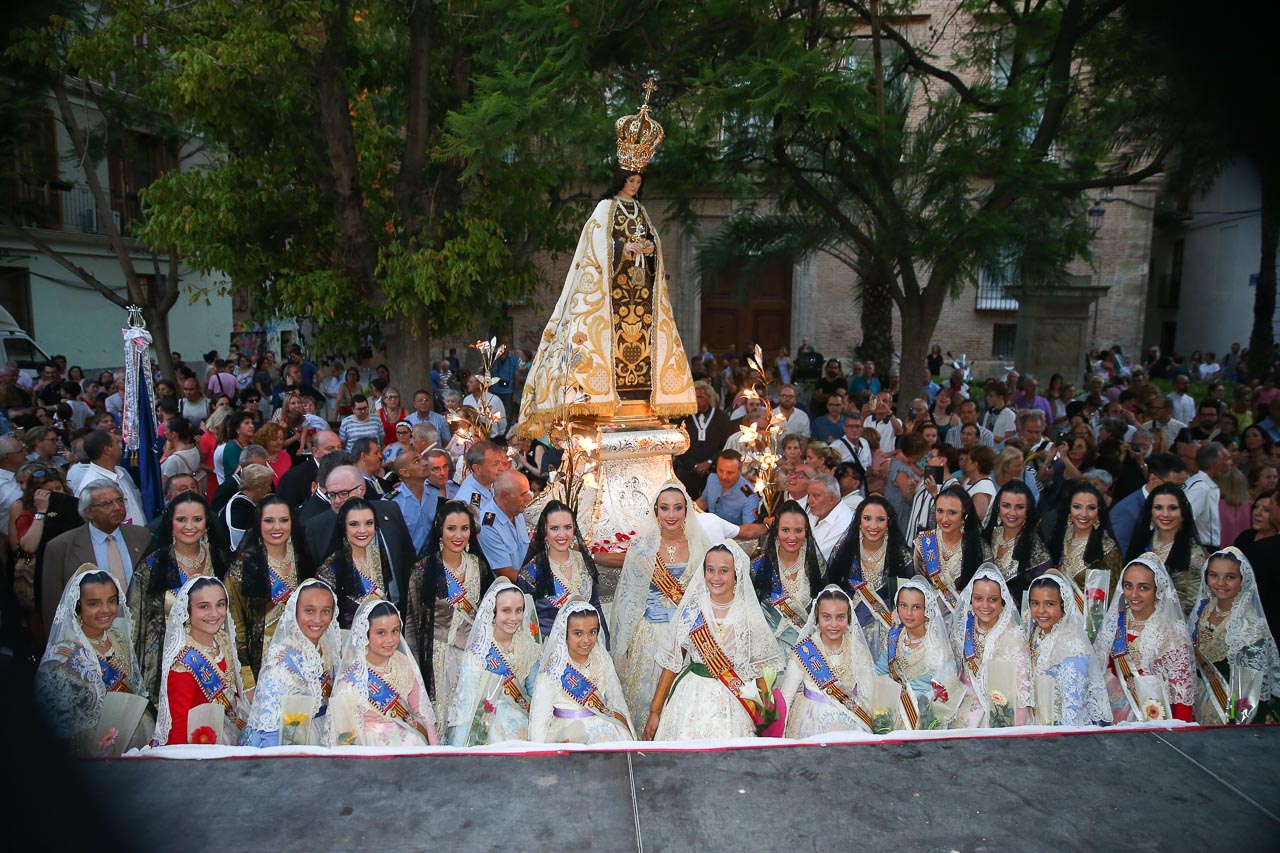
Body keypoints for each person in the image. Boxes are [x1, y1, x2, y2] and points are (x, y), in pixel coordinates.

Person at [517, 89, 696, 437]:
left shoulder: (640, 210)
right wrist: (626, 248)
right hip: (611, 296)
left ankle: (643, 398)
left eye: (639, 181)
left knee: (646, 342)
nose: (634, 185)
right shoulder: (605, 209)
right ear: (620, 180)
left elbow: (656, 244)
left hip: (639, 296)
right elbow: (599, 247)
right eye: (630, 180)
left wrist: (648, 247)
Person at [644, 542, 785, 740]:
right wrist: (655, 711)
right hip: (690, 699)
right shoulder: (692, 611)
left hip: (736, 700)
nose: (715, 577)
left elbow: (760, 669)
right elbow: (672, 662)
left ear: (737, 574)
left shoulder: (748, 615)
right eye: (710, 570)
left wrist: (767, 716)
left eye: (724, 571)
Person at [608, 481, 710, 732]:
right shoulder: (641, 549)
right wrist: (624, 645)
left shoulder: (701, 547)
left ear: (687, 510)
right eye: (665, 508)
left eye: (677, 508)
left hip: (688, 639)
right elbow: (628, 598)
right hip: (650, 637)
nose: (671, 515)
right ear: (656, 511)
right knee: (645, 701)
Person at [36, 568, 153, 755]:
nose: (105, 610)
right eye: (93, 603)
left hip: (134, 745)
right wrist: (93, 742)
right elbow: (56, 723)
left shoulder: (119, 638)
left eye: (112, 601)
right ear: (77, 606)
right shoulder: (63, 656)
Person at [130, 493, 230, 700]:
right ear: (170, 522)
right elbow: (137, 621)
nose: (190, 526)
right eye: (181, 520)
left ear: (207, 523)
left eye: (197, 519)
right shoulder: (153, 566)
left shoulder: (218, 557)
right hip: (168, 661)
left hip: (216, 657)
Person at [405, 501, 496, 725]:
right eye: (451, 528)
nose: (458, 535)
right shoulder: (423, 570)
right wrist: (415, 670)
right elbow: (412, 622)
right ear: (440, 530)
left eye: (464, 528)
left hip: (471, 658)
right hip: (437, 658)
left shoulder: (479, 566)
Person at [1092, 554, 1195, 723]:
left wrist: (1178, 734)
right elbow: (1102, 667)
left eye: (1143, 588)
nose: (1133, 594)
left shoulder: (1170, 632)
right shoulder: (1116, 621)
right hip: (1113, 714)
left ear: (1157, 590)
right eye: (1128, 586)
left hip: (1153, 718)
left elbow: (1182, 692)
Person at [225, 496, 316, 682]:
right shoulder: (242, 568)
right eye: (269, 521)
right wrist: (247, 678)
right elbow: (236, 627)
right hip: (263, 664)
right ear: (258, 523)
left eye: (284, 520)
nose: (277, 527)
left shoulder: (302, 557)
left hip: (305, 656)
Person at [242, 578, 341, 747]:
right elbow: (271, 731)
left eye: (325, 611)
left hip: (317, 734)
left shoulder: (326, 646)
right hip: (284, 743)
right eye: (309, 611)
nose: (318, 619)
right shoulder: (281, 661)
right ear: (295, 611)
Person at [40, 480, 150, 630]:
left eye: (119, 501)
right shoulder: (61, 547)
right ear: (88, 512)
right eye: (107, 504)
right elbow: (52, 604)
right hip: (87, 637)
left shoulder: (141, 535)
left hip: (138, 630)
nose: (117, 508)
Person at [1187, 547, 1280, 724]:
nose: (1220, 583)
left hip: (1229, 713)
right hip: (1199, 702)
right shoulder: (1204, 608)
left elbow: (1249, 688)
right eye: (1214, 575)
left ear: (1243, 580)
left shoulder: (1248, 624)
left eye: (1230, 577)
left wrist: (1233, 722)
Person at [444, 579, 540, 746]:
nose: (513, 618)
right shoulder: (480, 651)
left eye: (519, 611)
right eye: (506, 611)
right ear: (493, 612)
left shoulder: (529, 647)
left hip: (522, 725)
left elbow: (535, 694)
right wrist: (460, 748)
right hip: (485, 725)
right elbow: (467, 703)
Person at [153, 576, 247, 745]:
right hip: (199, 749)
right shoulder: (183, 662)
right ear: (187, 610)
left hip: (231, 740)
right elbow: (178, 729)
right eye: (204, 606)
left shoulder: (224, 640)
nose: (214, 613)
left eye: (220, 604)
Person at [331, 599, 439, 746]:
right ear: (366, 633)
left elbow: (422, 713)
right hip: (371, 749)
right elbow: (344, 733)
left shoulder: (404, 663)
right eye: (381, 633)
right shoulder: (352, 676)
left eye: (395, 631)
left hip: (410, 745)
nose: (390, 639)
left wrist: (434, 752)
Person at [777, 585, 878, 736]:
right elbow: (786, 696)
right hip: (810, 722)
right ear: (817, 616)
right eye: (826, 617)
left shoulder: (857, 649)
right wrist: (778, 736)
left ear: (849, 617)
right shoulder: (804, 651)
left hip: (853, 720)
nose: (833, 624)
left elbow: (869, 691)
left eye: (840, 617)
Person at [529, 600, 633, 743]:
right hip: (566, 735)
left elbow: (617, 700)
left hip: (605, 733)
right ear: (565, 633)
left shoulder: (602, 658)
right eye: (578, 633)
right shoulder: (553, 668)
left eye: (592, 632)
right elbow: (539, 719)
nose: (586, 640)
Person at [824, 495, 912, 654]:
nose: (873, 525)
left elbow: (911, 595)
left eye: (880, 519)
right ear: (859, 521)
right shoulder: (844, 552)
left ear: (889, 522)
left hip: (887, 634)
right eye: (867, 518)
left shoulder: (900, 556)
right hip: (847, 631)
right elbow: (830, 590)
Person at [874, 579, 965, 730]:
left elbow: (946, 689)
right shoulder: (894, 637)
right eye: (903, 606)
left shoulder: (936, 643)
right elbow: (880, 674)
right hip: (894, 712)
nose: (908, 613)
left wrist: (927, 714)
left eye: (916, 607)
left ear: (927, 609)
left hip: (925, 718)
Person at [949, 566, 1033, 728]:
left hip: (999, 712)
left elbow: (1021, 694)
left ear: (1002, 600)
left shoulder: (1013, 636)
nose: (985, 606)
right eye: (978, 599)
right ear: (970, 599)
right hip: (962, 706)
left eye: (993, 599)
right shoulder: (964, 628)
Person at [1027, 573, 1112, 726]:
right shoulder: (1036, 635)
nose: (1041, 611)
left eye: (1049, 604)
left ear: (1064, 605)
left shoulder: (1073, 647)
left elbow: (1073, 708)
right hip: (1038, 723)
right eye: (1035, 603)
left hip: (1063, 731)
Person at [517, 500, 607, 640]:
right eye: (554, 528)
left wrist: (605, 645)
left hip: (588, 647)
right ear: (545, 531)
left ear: (574, 529)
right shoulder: (531, 573)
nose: (562, 534)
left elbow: (596, 607)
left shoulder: (584, 562)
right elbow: (527, 621)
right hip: (551, 653)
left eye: (567, 527)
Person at [750, 500, 826, 654]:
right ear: (776, 530)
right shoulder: (758, 568)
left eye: (798, 530)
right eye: (785, 530)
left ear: (806, 532)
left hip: (807, 655)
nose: (792, 537)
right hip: (767, 653)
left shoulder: (817, 567)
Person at [316, 499, 399, 630]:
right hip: (347, 643)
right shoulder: (330, 568)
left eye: (369, 523)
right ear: (344, 526)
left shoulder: (379, 556)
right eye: (354, 524)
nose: (362, 530)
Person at [1126, 483, 1208, 614]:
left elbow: (1192, 606)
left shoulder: (1193, 555)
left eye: (1173, 508)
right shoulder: (1143, 541)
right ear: (1151, 512)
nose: (1165, 514)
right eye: (1158, 507)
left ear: (1183, 513)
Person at [912, 485, 983, 615]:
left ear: (964, 514)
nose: (944, 519)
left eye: (952, 512)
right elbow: (918, 585)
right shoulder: (924, 542)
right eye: (940, 511)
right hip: (930, 618)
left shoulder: (978, 546)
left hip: (966, 619)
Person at [1048, 481, 1125, 598]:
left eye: (1091, 508)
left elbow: (1113, 596)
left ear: (1099, 511)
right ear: (1069, 508)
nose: (1083, 514)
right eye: (1077, 507)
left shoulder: (1108, 549)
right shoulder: (1061, 535)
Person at [980, 480, 1052, 605]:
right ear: (998, 507)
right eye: (1006, 505)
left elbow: (1040, 595)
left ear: (1027, 511)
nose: (1012, 513)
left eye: (1019, 507)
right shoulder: (989, 537)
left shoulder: (1036, 548)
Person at [475, 470, 532, 581]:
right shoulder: (487, 526)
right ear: (505, 496)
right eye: (523, 495)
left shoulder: (516, 511)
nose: (528, 499)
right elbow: (506, 573)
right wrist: (539, 584)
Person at [222, 463, 274, 551]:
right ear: (258, 487)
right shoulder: (238, 508)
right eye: (268, 485)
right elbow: (239, 545)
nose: (270, 489)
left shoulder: (249, 503)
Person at [455, 440, 505, 513]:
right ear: (478, 469)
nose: (502, 468)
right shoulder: (470, 501)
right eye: (495, 464)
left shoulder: (486, 481)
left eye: (501, 462)